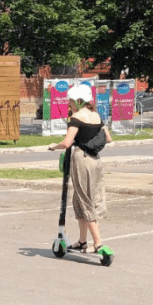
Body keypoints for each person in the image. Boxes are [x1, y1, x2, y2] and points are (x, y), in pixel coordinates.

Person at [48, 83, 112, 254]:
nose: (69, 104)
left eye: (70, 101)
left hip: (82, 160)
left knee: (84, 199)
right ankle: (82, 241)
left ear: (78, 100)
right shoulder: (96, 116)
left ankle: (98, 243)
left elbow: (67, 142)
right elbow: (108, 138)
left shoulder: (77, 117)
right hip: (95, 161)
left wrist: (54, 146)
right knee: (79, 198)